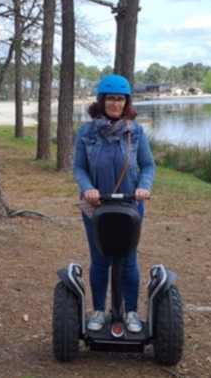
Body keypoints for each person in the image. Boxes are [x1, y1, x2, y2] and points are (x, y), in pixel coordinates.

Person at [72, 74, 155, 334]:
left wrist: (144, 187)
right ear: (102, 100)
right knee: (100, 259)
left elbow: (148, 165)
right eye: (111, 98)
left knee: (128, 259)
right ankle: (98, 309)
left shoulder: (136, 132)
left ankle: (131, 312)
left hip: (130, 205)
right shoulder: (86, 132)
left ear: (126, 102)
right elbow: (79, 167)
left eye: (120, 99)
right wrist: (88, 189)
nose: (115, 104)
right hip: (96, 207)